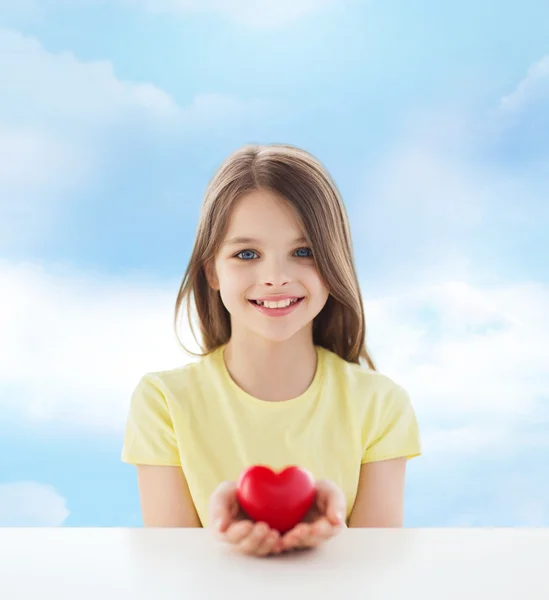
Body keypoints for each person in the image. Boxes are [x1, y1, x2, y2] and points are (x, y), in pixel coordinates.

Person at [121, 143, 422, 557]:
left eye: (304, 252)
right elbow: (170, 571)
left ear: (335, 262)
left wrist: (333, 532)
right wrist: (222, 532)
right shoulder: (163, 402)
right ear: (212, 269)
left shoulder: (381, 404)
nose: (275, 277)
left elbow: (379, 573)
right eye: (247, 254)